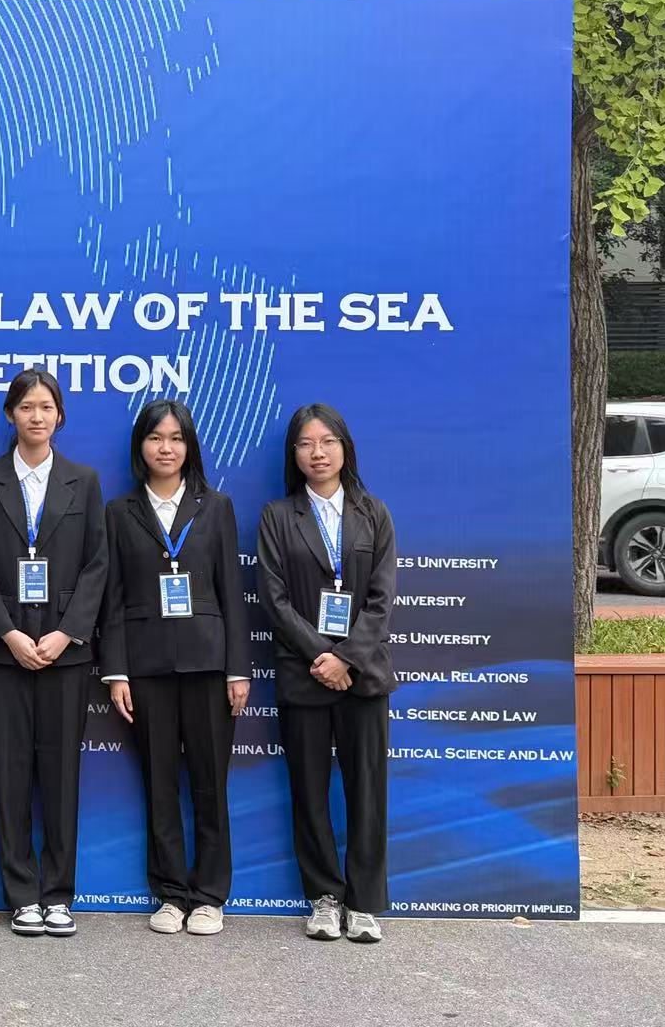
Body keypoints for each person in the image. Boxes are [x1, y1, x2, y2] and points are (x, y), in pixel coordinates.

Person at [0, 368, 107, 938]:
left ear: (59, 415)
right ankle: (22, 893)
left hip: (65, 653)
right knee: (13, 772)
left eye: (46, 407)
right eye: (26, 407)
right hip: (6, 652)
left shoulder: (83, 481)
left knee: (62, 775)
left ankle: (59, 893)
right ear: (10, 415)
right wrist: (8, 634)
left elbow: (97, 565)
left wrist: (67, 633)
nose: (36, 416)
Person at [100, 398, 250, 937]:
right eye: (155, 438)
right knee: (159, 784)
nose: (166, 448)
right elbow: (112, 598)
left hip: (210, 665)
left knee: (210, 785)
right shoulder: (119, 511)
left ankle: (209, 895)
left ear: (190, 446)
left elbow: (232, 592)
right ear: (140, 446)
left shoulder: (216, 506)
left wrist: (238, 669)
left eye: (176, 438)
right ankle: (169, 894)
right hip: (146, 668)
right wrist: (116, 671)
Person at [257, 403, 396, 944]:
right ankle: (323, 896)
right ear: (294, 454)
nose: (318, 453)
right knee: (309, 793)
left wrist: (347, 658)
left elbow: (381, 600)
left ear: (345, 448)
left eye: (328, 442)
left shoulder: (373, 512)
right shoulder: (277, 516)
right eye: (306, 444)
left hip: (363, 677)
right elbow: (275, 599)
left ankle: (363, 902)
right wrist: (322, 656)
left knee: (367, 792)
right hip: (304, 675)